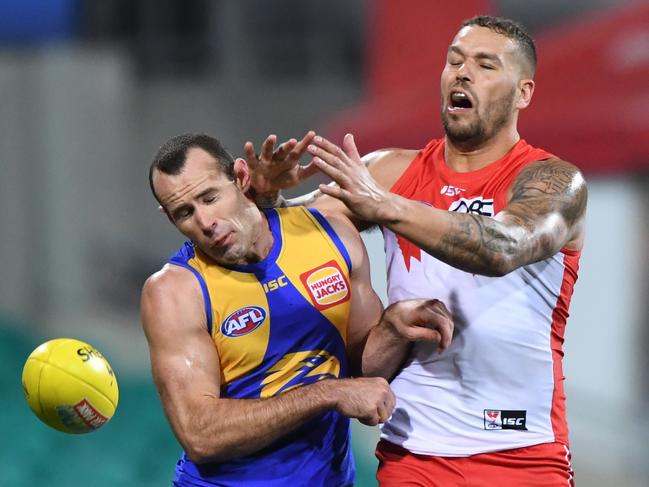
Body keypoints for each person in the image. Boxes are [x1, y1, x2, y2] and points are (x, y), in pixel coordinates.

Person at [245, 15, 587, 487]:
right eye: (454, 61)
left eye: (485, 65)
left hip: (522, 454)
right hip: (412, 454)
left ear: (524, 93)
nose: (462, 73)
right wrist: (264, 199)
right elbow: (283, 235)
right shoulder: (386, 171)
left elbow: (504, 247)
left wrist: (386, 205)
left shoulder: (555, 182)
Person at [140, 133, 454, 487]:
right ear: (168, 217)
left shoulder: (329, 234)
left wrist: (394, 328)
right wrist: (328, 393)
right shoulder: (175, 292)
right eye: (185, 212)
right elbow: (200, 435)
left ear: (241, 178)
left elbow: (361, 369)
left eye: (210, 197)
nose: (206, 222)